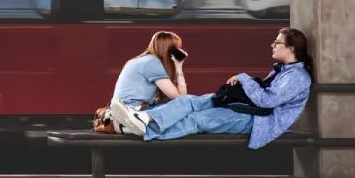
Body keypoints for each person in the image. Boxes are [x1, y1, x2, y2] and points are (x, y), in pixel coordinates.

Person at [107, 27, 314, 149]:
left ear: (291, 48)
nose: (272, 45)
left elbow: (267, 101)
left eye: (277, 43)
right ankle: (144, 119)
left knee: (197, 119)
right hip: (247, 109)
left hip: (261, 121)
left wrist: (244, 78)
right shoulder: (284, 70)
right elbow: (181, 97)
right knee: (190, 101)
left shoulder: (297, 76)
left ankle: (141, 129)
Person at [93, 31, 187, 133]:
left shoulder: (141, 60)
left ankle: (129, 125)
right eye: (178, 48)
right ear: (171, 51)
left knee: (179, 110)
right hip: (130, 111)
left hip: (127, 109)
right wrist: (179, 67)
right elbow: (181, 99)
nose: (181, 51)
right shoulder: (152, 63)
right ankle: (128, 125)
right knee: (187, 106)